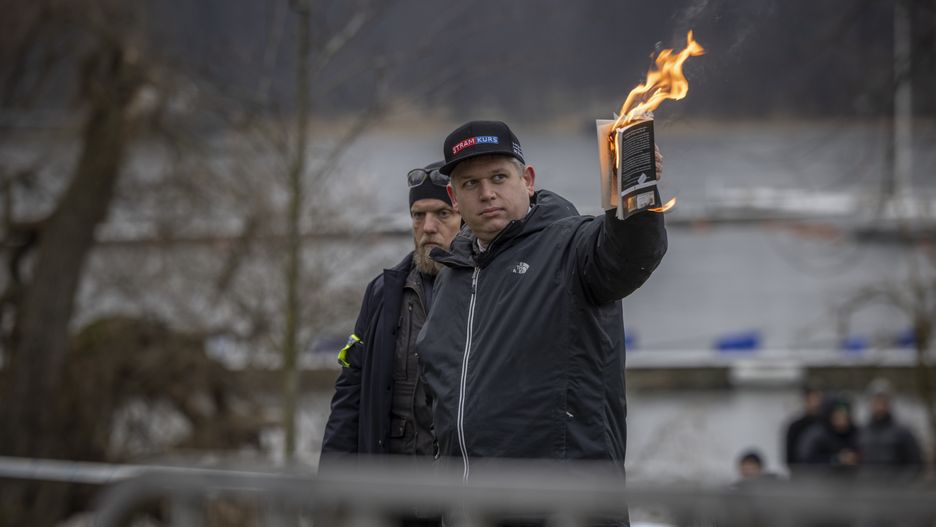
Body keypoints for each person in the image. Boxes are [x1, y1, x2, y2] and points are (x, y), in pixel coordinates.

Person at [415, 120, 667, 477]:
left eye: (499, 178)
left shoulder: (572, 247)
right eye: (471, 184)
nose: (486, 193)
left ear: (528, 181)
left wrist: (636, 192)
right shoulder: (452, 276)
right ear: (455, 199)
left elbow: (630, 252)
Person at [321, 161, 461, 458]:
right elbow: (350, 392)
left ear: (466, 217)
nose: (428, 227)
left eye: (443, 213)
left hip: (460, 485)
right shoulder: (383, 293)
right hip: (391, 484)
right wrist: (333, 483)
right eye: (417, 215)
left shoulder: (485, 287)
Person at [858, 378, 923, 483]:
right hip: (868, 491)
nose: (879, 405)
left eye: (883, 400)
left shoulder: (904, 432)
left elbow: (916, 465)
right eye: (876, 400)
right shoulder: (861, 431)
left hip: (895, 492)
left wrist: (900, 482)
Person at [797, 395, 860, 481]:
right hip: (821, 483)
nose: (842, 419)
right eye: (838, 415)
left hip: (851, 483)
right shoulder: (817, 435)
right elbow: (807, 460)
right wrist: (836, 460)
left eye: (845, 415)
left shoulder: (856, 433)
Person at [783, 385, 824, 475]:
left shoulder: (826, 426)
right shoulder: (795, 427)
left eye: (818, 399)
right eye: (812, 400)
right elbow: (790, 458)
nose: (815, 403)